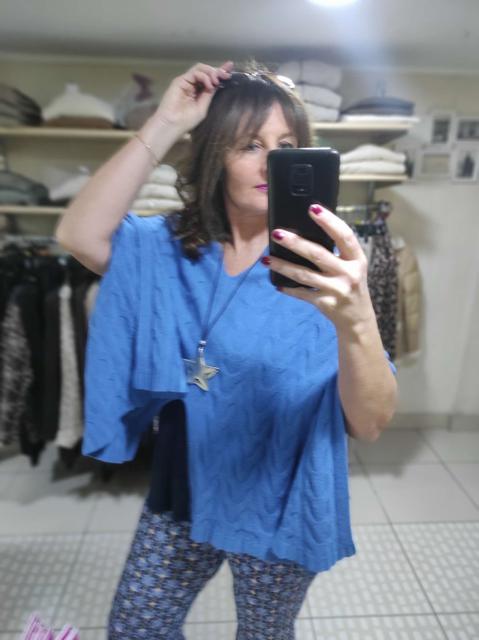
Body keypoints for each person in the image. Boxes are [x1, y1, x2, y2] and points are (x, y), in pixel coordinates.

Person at [56, 61, 397, 640]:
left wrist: (357, 317)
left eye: (286, 147)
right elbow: (78, 235)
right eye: (249, 144)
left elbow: (370, 422)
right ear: (215, 154)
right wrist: (167, 121)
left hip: (278, 503)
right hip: (183, 489)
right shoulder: (170, 248)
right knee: (137, 625)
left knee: (264, 634)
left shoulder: (326, 268)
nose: (270, 163)